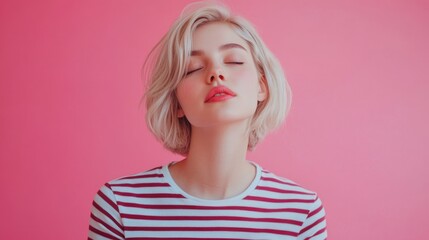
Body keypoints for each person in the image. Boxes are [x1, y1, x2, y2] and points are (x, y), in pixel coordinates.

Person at [88, 2, 327, 239]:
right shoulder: (119, 206)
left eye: (234, 61)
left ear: (262, 87)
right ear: (177, 103)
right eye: (193, 68)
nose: (216, 73)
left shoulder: (301, 213)